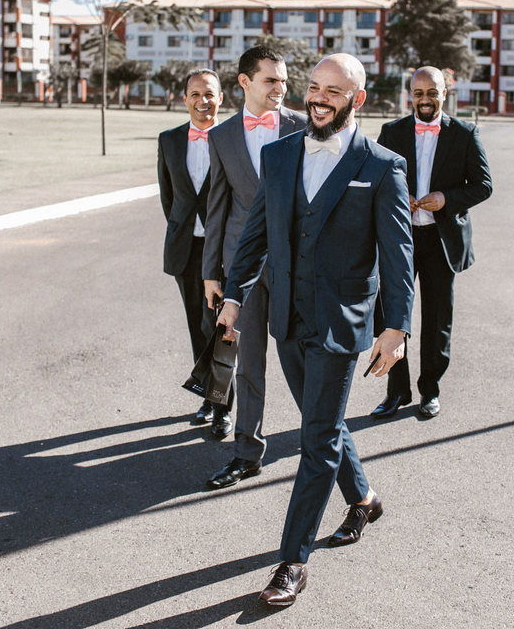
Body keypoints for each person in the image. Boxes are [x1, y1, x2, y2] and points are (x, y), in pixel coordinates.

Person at [217, 53, 414, 607]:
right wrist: (234, 297)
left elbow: (399, 256)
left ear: (359, 99)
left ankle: (292, 560)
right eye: (315, 86)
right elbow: (255, 237)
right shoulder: (278, 157)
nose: (320, 97)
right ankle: (366, 499)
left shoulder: (381, 166)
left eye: (335, 90)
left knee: (316, 440)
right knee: (321, 423)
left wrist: (397, 326)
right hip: (287, 319)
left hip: (341, 323)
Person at [201, 47, 306, 483]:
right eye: (270, 80)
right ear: (244, 82)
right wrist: (212, 272)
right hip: (242, 271)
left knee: (301, 360)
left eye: (283, 81)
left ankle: (322, 437)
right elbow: (217, 206)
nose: (280, 88)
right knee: (248, 365)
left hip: (294, 268)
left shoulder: (303, 126)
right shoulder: (221, 136)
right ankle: (247, 452)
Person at [371, 66, 492, 420]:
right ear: (410, 94)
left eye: (432, 93)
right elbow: (375, 178)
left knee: (438, 319)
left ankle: (430, 391)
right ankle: (397, 392)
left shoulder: (465, 134)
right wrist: (398, 196)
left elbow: (483, 185)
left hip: (441, 241)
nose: (425, 100)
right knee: (394, 316)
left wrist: (447, 198)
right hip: (401, 240)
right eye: (419, 93)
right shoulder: (391, 132)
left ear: (445, 92)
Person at [157, 69, 225, 427]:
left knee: (221, 328)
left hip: (224, 252)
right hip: (186, 249)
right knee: (197, 326)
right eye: (195, 94)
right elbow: (169, 200)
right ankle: (208, 396)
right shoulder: (168, 140)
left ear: (221, 98)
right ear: (184, 99)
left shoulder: (233, 138)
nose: (203, 101)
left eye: (210, 94)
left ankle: (222, 404)